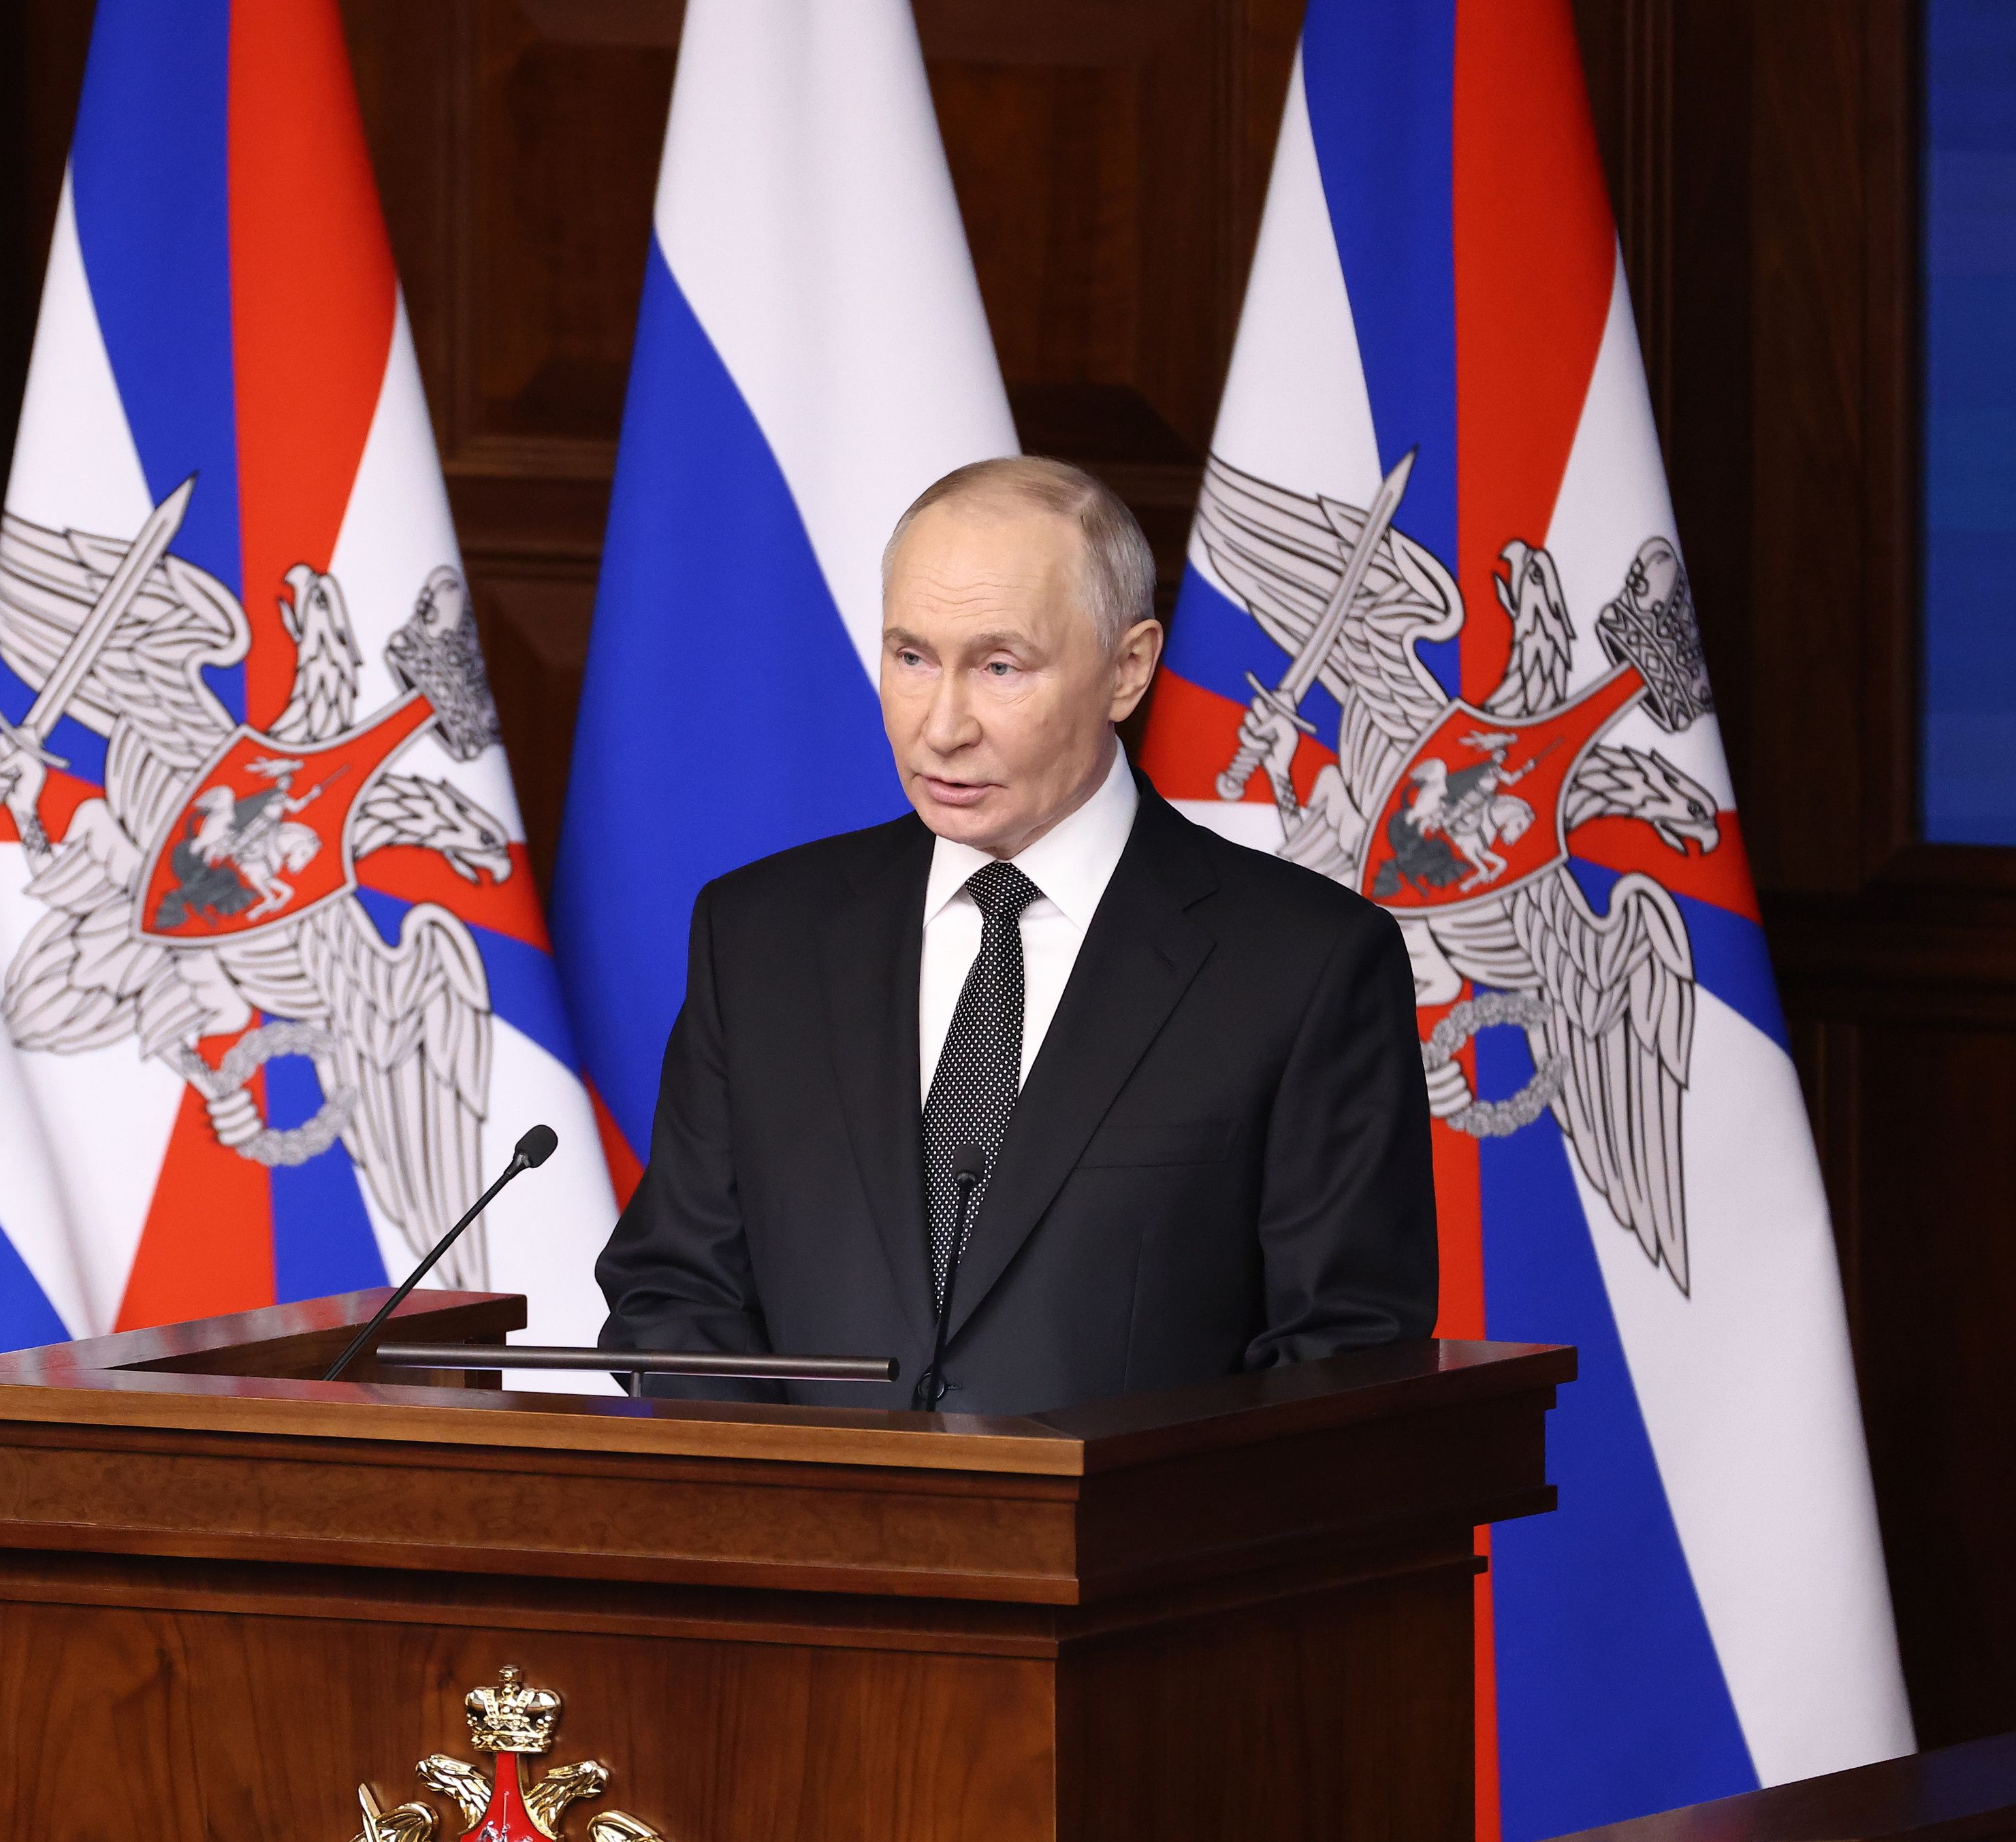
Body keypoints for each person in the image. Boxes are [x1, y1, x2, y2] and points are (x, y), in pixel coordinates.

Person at [595, 455, 1436, 1412]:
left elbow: (1342, 1360)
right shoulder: (758, 936)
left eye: (1000, 667)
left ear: (1128, 668)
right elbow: (674, 1290)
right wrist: (799, 1495)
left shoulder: (1306, 966)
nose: (942, 726)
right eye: (912, 658)